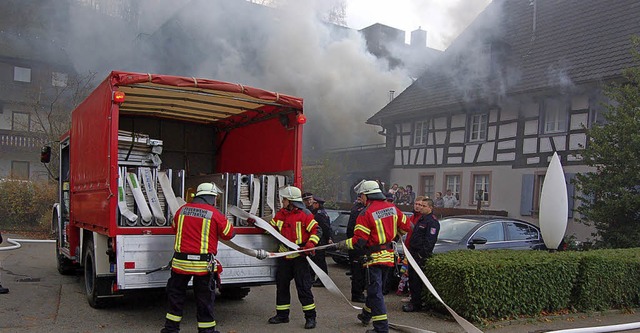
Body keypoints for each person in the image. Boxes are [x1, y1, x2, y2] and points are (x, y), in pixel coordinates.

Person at [335, 180, 410, 333]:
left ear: (367, 195)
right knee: (375, 290)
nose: (360, 199)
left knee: (375, 294)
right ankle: (366, 315)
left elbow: (359, 241)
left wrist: (342, 244)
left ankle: (381, 329)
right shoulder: (393, 208)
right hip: (389, 257)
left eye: (361, 195)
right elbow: (408, 226)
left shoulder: (365, 213)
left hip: (373, 259)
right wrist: (395, 237)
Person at [162, 182, 235, 333]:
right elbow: (229, 234)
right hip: (202, 266)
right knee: (204, 300)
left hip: (180, 264)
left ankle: (170, 329)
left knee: (175, 297)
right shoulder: (214, 214)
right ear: (211, 198)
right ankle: (206, 331)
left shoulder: (182, 210)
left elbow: (174, 227)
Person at [264, 185, 320, 330]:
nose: (282, 201)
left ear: (291, 201)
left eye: (284, 199)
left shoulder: (305, 214)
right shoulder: (281, 214)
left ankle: (310, 317)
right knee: (281, 286)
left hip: (300, 257)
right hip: (285, 257)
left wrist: (309, 244)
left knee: (304, 288)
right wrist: (258, 224)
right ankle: (282, 315)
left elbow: (316, 230)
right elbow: (271, 229)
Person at [402, 198, 440, 313]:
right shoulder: (421, 219)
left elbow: (429, 242)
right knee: (412, 280)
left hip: (419, 256)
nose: (421, 207)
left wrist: (420, 255)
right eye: (420, 205)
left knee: (417, 281)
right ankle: (414, 301)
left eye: (424, 206)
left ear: (430, 208)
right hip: (412, 252)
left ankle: (416, 304)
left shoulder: (432, 222)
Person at [346, 196, 366, 303]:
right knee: (358, 272)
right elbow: (351, 228)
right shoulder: (360, 210)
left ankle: (358, 293)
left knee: (358, 271)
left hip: (356, 244)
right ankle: (357, 294)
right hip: (358, 245)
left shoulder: (357, 208)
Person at [309, 195, 332, 287]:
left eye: (314, 203)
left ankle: (322, 280)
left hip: (320, 241)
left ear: (317, 204)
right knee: (316, 260)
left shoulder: (319, 215)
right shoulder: (321, 213)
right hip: (320, 240)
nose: (312, 205)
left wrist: (328, 238)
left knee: (320, 261)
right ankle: (316, 279)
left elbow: (325, 228)